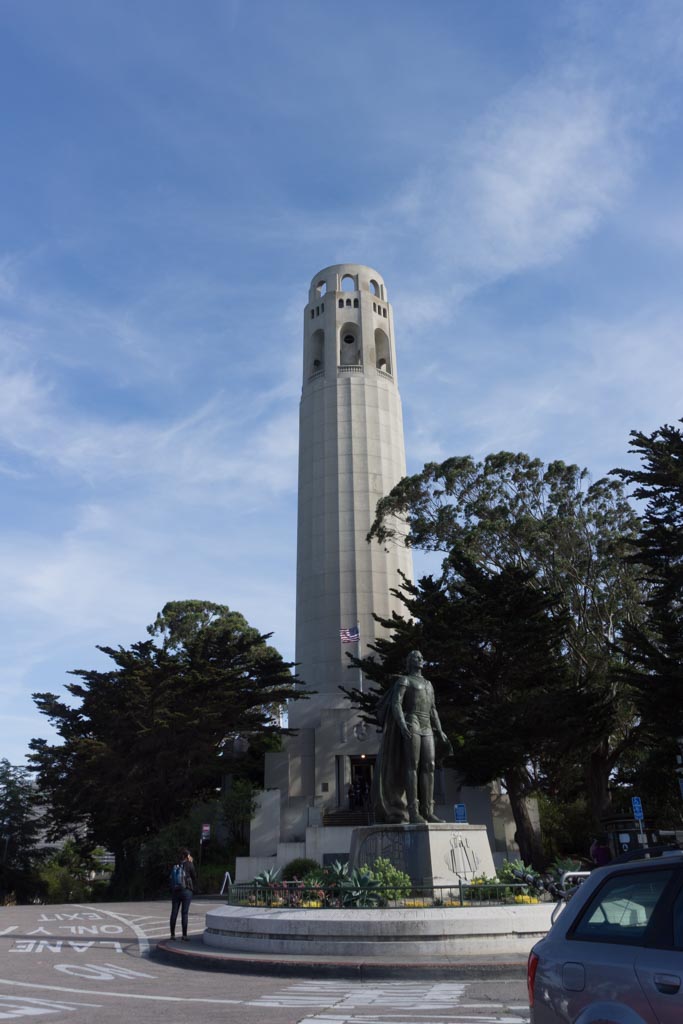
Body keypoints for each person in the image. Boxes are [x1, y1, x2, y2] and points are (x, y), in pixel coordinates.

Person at [373, 650, 452, 824]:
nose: (420, 660)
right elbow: (396, 703)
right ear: (409, 662)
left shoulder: (428, 684)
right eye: (416, 657)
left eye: (422, 657)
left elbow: (433, 709)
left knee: (430, 765)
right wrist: (402, 724)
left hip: (426, 725)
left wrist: (440, 730)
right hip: (412, 722)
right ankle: (413, 811)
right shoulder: (405, 681)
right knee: (412, 766)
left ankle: (428, 811)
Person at [169, 848, 197, 941]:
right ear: (187, 856)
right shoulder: (190, 864)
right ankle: (184, 935)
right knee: (184, 913)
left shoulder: (176, 865)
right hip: (186, 891)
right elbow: (194, 877)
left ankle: (172, 935)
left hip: (175, 891)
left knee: (174, 912)